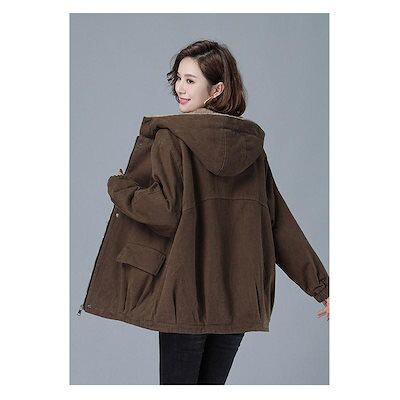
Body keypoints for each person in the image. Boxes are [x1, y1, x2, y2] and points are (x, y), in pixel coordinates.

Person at [110, 40, 330, 384]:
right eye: (178, 78)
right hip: (237, 301)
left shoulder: (172, 139)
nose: (180, 88)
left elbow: (164, 212)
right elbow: (279, 224)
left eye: (190, 80)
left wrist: (120, 188)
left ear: (217, 89)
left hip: (184, 298)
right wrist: (323, 288)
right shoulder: (251, 149)